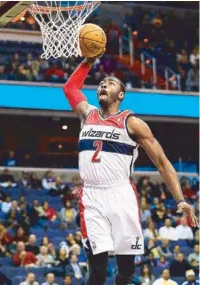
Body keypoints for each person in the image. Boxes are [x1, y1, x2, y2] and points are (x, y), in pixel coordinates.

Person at [62, 53, 198, 285]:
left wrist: (180, 200)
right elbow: (70, 87)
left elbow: (163, 162)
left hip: (121, 194)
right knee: (97, 270)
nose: (104, 84)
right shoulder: (88, 114)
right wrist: (88, 61)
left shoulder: (132, 123)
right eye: (102, 82)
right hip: (91, 196)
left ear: (121, 95)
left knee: (126, 270)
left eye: (111, 83)